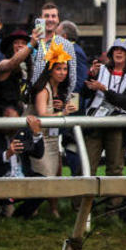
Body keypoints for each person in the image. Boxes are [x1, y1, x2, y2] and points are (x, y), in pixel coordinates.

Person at [30, 42, 78, 217]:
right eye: (58, 69)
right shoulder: (43, 89)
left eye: (65, 69)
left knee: (56, 173)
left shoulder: (58, 89)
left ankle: (53, 210)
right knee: (43, 176)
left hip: (53, 139)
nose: (62, 73)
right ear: (50, 69)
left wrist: (60, 108)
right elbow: (42, 115)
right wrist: (63, 114)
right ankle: (32, 211)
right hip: (40, 139)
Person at [81, 39, 126, 180]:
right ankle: (82, 202)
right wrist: (91, 75)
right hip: (95, 123)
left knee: (115, 169)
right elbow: (84, 94)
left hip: (117, 125)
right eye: (116, 49)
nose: (118, 52)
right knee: (87, 168)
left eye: (122, 50)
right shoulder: (100, 70)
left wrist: (104, 89)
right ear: (111, 53)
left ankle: (115, 202)